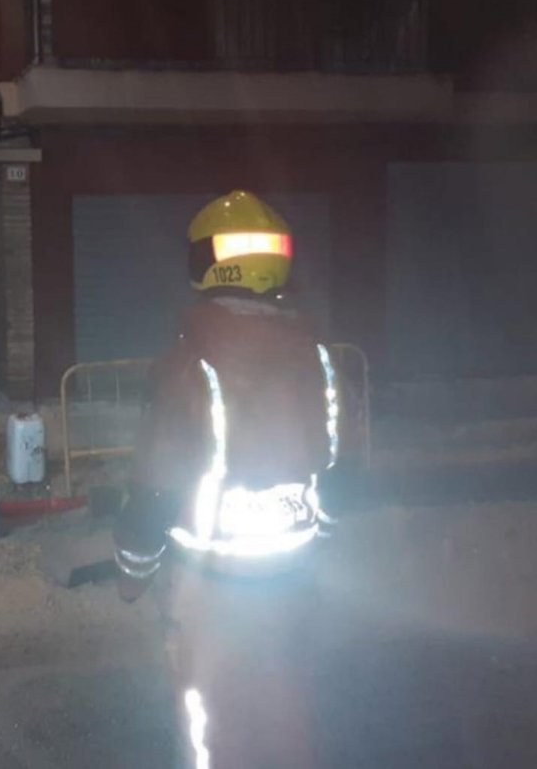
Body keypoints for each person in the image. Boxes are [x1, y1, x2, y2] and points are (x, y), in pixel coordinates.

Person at [113, 190, 338, 768]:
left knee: (211, 730)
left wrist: (133, 572)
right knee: (291, 714)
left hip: (209, 592)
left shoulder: (186, 362)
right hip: (294, 581)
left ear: (206, 264)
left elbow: (155, 486)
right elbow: (339, 470)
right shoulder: (316, 356)